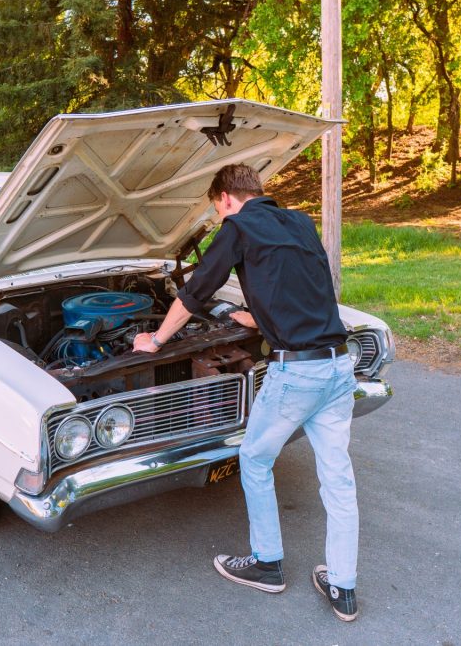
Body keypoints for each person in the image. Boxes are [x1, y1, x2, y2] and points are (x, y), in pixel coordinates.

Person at [133, 163, 360, 622]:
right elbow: (307, 287)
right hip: (338, 369)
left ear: (225, 199)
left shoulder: (237, 226)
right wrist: (256, 318)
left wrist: (154, 340)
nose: (220, 218)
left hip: (295, 375)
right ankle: (343, 586)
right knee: (338, 480)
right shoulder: (298, 221)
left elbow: (195, 292)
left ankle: (267, 563)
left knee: (254, 460)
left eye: (217, 211)